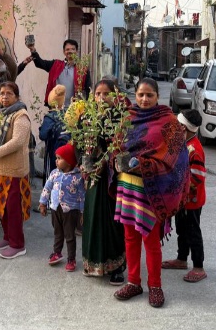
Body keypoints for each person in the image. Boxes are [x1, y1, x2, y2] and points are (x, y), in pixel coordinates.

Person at [112, 78, 190, 308]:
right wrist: (115, 162)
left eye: (150, 95)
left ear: (158, 96)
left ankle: (155, 286)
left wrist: (145, 164)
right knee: (129, 236)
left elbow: (177, 158)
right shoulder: (127, 119)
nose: (144, 100)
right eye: (140, 95)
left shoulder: (169, 122)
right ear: (135, 95)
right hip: (127, 186)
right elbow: (115, 148)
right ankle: (134, 282)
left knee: (151, 240)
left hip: (152, 189)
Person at [81, 79, 128, 284]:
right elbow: (78, 143)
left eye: (105, 93)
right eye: (97, 94)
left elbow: (123, 148)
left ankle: (116, 267)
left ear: (114, 95)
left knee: (111, 221)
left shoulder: (120, 118)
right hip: (93, 178)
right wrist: (86, 162)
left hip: (111, 179)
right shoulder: (87, 117)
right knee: (92, 219)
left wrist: (106, 161)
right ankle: (93, 262)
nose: (101, 98)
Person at [0, 81, 32, 259]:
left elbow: (17, 142)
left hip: (14, 170)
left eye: (8, 93)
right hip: (0, 168)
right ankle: (7, 237)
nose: (4, 97)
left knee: (13, 209)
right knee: (1, 206)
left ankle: (18, 244)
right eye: (2, 93)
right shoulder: (1, 114)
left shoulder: (21, 115)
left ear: (16, 96)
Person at [162, 109, 208, 283]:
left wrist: (182, 190)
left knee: (193, 232)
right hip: (182, 200)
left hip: (192, 201)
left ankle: (198, 266)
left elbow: (197, 177)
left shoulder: (194, 149)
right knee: (182, 229)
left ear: (183, 128)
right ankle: (181, 259)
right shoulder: (182, 143)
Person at [39, 143, 86, 272]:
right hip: (55, 209)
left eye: (60, 158)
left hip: (70, 211)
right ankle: (57, 252)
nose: (56, 161)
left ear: (69, 162)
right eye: (57, 158)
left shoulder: (77, 177)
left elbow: (82, 195)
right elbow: (47, 188)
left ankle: (71, 259)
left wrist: (82, 213)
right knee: (58, 233)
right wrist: (43, 203)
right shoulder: (54, 174)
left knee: (70, 236)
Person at [26, 39, 92, 105]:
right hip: (56, 109)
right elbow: (40, 63)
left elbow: (88, 90)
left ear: (76, 51)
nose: (70, 51)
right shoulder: (55, 65)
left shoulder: (82, 70)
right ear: (64, 52)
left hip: (74, 110)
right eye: (67, 49)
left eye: (73, 49)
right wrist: (33, 50)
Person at [38, 84, 69, 185]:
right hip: (67, 152)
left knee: (52, 178)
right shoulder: (68, 114)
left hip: (53, 153)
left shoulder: (50, 117)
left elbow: (42, 135)